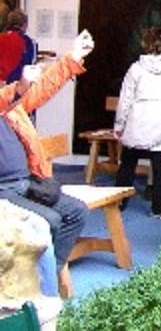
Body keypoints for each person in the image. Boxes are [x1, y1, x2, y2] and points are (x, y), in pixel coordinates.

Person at [0, 30, 94, 278]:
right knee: (48, 220)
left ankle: (46, 276)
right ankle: (31, 281)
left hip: (28, 184)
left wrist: (74, 56)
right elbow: (10, 97)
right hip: (3, 191)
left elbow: (42, 88)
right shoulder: (7, 99)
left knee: (76, 212)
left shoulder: (12, 105)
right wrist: (20, 87)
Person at [114, 27, 161, 218]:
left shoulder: (135, 69)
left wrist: (119, 125)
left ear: (146, 44)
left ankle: (117, 203)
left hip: (138, 121)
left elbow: (125, 100)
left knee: (127, 164)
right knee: (160, 167)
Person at [0, 9, 37, 83]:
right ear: (25, 25)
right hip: (18, 84)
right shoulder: (28, 42)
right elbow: (30, 64)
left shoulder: (1, 38)